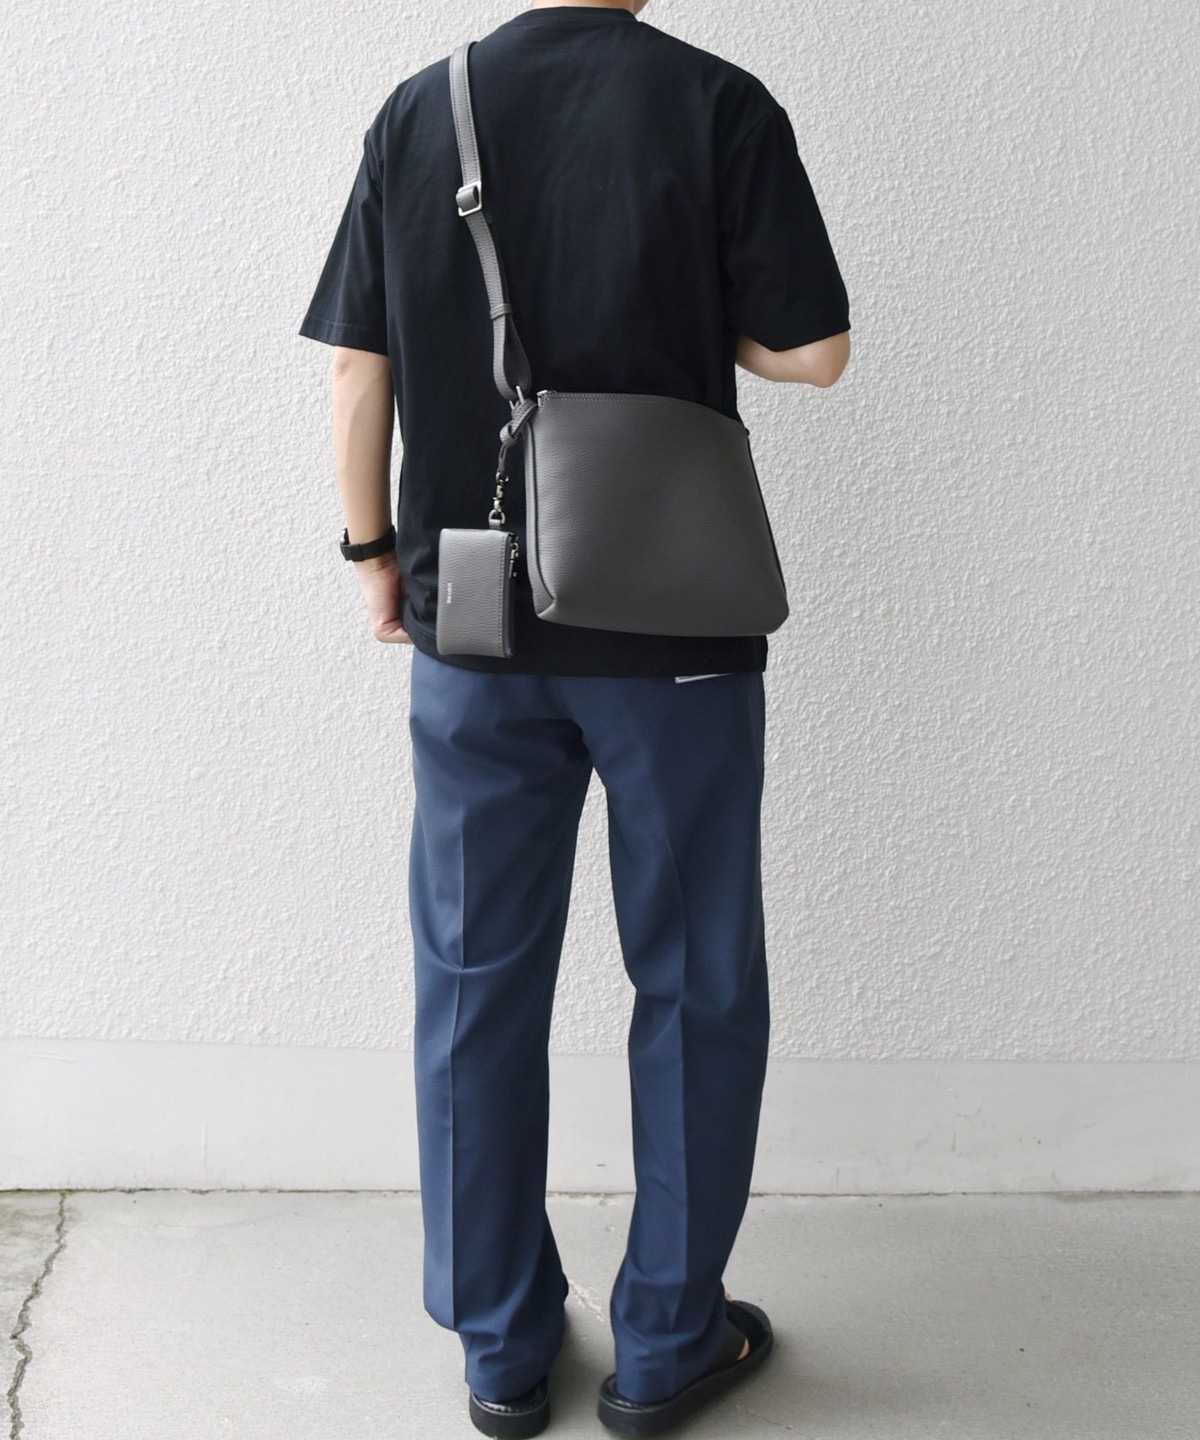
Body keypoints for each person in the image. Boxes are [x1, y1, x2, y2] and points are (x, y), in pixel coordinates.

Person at [298, 1, 850, 1433]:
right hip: (673, 621)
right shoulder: (720, 103)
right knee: (696, 976)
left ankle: (499, 1348)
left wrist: (373, 555)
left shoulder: (422, 108)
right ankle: (667, 1342)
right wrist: (684, 324)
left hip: (474, 612)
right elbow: (814, 353)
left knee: (473, 977)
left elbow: (357, 367)